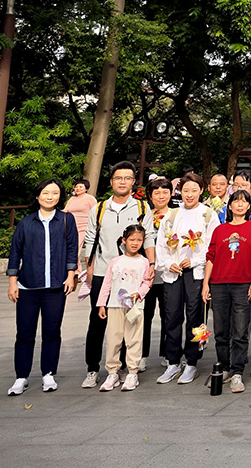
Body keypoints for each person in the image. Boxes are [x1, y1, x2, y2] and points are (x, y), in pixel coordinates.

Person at [81, 162, 154, 388]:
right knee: (98, 321)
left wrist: (151, 264)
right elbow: (90, 239)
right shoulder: (99, 208)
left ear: (133, 182)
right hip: (103, 272)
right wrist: (89, 268)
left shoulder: (142, 207)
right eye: (118, 178)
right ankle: (93, 368)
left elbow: (149, 237)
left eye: (127, 178)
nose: (122, 182)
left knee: (128, 322)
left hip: (131, 275)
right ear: (111, 181)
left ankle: (121, 368)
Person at [6, 178, 77, 396]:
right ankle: (21, 377)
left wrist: (70, 275)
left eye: (54, 193)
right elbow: (15, 253)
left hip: (55, 286)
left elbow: (72, 248)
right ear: (38, 196)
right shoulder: (26, 223)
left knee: (52, 331)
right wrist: (12, 282)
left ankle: (48, 374)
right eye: (45, 193)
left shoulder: (66, 220)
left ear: (60, 196)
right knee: (24, 333)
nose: (50, 197)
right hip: (28, 287)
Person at [154, 172, 215, 387]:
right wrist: (166, 264)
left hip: (196, 272)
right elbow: (161, 244)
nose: (189, 194)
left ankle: (191, 362)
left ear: (201, 191)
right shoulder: (171, 215)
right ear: (180, 191)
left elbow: (212, 245)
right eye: (185, 190)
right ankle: (172, 361)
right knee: (171, 317)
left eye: (194, 190)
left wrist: (196, 260)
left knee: (195, 317)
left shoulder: (208, 214)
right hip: (174, 272)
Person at [203, 190, 251, 393]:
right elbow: (211, 257)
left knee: (240, 331)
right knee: (221, 331)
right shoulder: (220, 230)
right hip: (219, 284)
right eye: (236, 201)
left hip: (243, 284)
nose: (240, 205)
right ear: (229, 206)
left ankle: (237, 371)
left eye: (244, 201)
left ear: (248, 206)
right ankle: (224, 368)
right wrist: (206, 283)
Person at [96, 224, 153, 392]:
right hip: (115, 305)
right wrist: (102, 304)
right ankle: (113, 372)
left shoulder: (144, 262)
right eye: (132, 239)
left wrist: (139, 293)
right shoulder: (116, 261)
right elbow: (107, 283)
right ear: (124, 240)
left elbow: (147, 282)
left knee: (134, 339)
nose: (135, 243)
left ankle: (132, 372)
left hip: (135, 307)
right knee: (113, 339)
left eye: (139, 240)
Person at [142, 178, 172, 368]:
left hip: (168, 274)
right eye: (157, 193)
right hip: (146, 275)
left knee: (169, 315)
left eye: (165, 192)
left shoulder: (176, 215)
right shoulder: (143, 215)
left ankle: (168, 353)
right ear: (150, 195)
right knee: (144, 316)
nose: (161, 196)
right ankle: (141, 354)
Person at [64, 178, 96, 292]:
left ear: (86, 188)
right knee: (69, 249)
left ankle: (76, 273)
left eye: (81, 186)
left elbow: (96, 212)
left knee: (75, 250)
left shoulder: (90, 199)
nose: (78, 188)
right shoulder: (72, 199)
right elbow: (65, 211)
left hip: (84, 228)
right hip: (71, 228)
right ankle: (77, 272)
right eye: (76, 186)